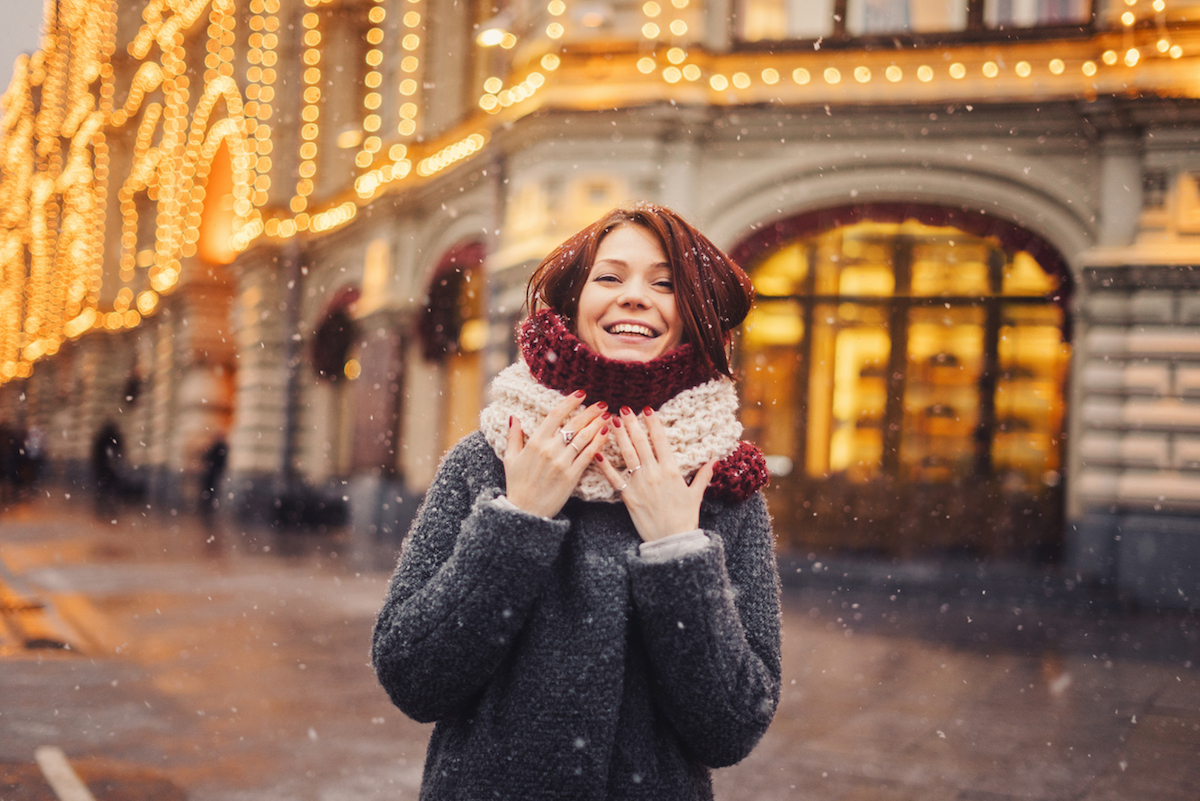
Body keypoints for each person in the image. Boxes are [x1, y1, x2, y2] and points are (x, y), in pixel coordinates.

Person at [372, 203, 781, 800]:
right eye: (610, 277)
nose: (635, 297)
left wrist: (678, 549)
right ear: (572, 302)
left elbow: (732, 728)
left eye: (665, 284)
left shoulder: (721, 483)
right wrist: (517, 522)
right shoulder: (488, 457)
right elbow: (413, 678)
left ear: (694, 315)